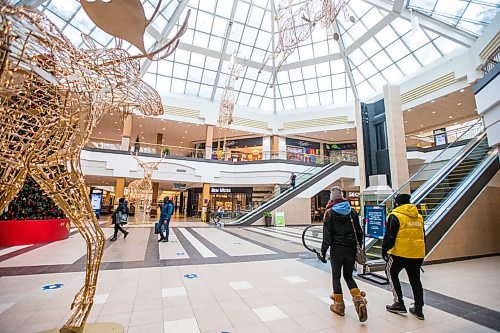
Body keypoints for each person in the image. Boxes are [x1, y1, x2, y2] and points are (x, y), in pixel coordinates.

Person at [320, 186, 368, 322]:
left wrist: (323, 252)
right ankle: (359, 300)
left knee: (336, 277)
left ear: (332, 198)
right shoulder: (352, 211)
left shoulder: (329, 213)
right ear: (342, 196)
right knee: (348, 276)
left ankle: (339, 306)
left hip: (337, 249)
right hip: (351, 248)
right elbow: (359, 232)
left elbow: (327, 236)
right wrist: (359, 246)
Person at [383, 193, 426, 320]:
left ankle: (399, 302)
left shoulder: (395, 215)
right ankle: (419, 308)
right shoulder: (419, 217)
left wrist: (385, 249)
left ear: (397, 203)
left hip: (399, 253)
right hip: (417, 253)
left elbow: (390, 235)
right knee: (415, 280)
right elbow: (423, 235)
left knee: (390, 272)